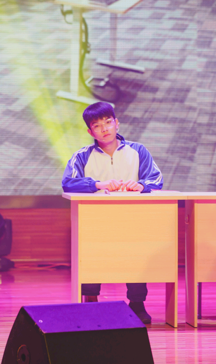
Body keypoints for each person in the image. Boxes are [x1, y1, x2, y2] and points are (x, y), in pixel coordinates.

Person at [62, 101, 163, 324]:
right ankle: (90, 301)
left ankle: (137, 303)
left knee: (136, 257)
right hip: (95, 219)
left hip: (132, 218)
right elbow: (68, 183)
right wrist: (98, 184)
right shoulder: (82, 155)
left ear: (117, 123)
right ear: (90, 132)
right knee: (91, 256)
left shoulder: (138, 150)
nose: (104, 129)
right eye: (97, 126)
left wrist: (141, 186)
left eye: (108, 122)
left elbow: (156, 179)